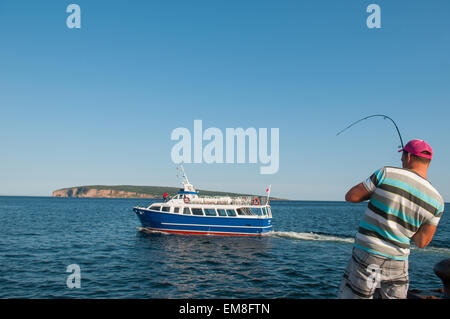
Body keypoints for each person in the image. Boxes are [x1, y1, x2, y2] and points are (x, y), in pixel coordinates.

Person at [338, 139, 445, 299]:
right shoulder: (437, 201)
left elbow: (351, 196)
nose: (401, 160)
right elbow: (422, 242)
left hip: (369, 255)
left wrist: (378, 194)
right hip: (399, 262)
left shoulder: (386, 173)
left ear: (408, 157)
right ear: (428, 162)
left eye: (402, 156)